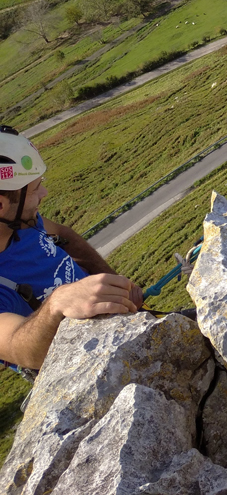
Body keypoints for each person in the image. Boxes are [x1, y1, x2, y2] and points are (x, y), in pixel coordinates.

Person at [0, 126, 143, 371]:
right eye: (34, 190)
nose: (44, 193)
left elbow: (64, 235)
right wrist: (58, 303)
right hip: (93, 371)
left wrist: (115, 284)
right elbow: (19, 348)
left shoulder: (24, 223)